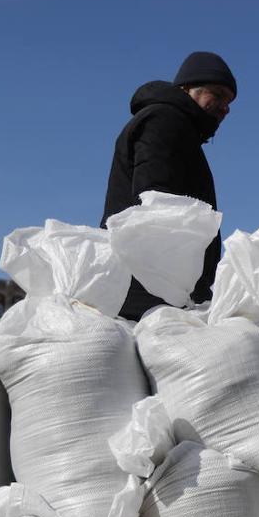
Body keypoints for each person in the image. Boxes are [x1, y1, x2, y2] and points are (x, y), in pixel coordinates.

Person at [101, 51, 236, 320]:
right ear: (187, 89)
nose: (225, 108)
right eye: (218, 95)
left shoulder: (176, 127)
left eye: (229, 102)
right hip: (148, 293)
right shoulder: (164, 121)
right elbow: (156, 203)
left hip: (157, 290)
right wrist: (184, 295)